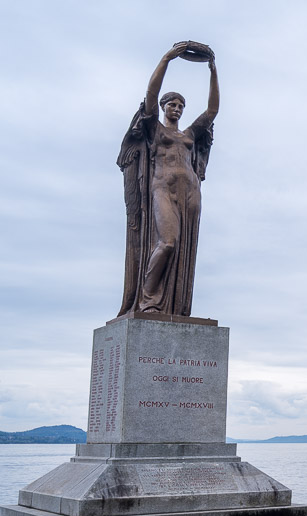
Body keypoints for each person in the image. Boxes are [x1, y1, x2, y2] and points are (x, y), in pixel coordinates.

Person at [117, 42, 219, 317]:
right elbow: (150, 94)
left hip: (190, 192)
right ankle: (148, 299)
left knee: (184, 249)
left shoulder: (189, 134)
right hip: (162, 188)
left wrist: (213, 70)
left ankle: (176, 305)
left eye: (180, 106)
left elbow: (212, 111)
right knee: (168, 243)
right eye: (172, 104)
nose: (177, 108)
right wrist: (167, 59)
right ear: (163, 107)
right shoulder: (155, 128)